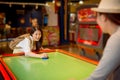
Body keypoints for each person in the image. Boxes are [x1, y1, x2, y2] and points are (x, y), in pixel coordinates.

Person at [87, 0, 120, 80]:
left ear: (103, 17)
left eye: (96, 16)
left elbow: (97, 78)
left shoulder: (116, 39)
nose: (96, 21)